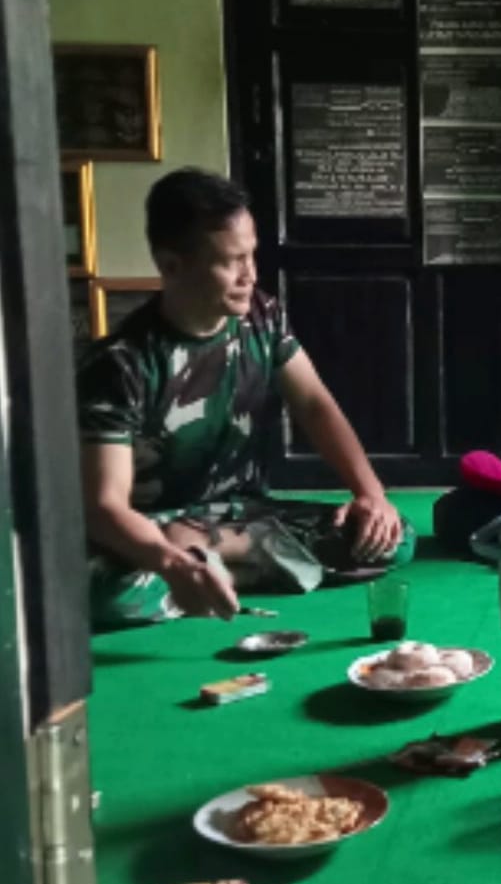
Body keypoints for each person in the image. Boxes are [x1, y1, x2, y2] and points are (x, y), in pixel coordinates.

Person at [78, 168, 414, 627]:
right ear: (171, 264)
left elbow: (315, 404)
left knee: (392, 536)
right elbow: (104, 506)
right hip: (153, 529)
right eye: (232, 261)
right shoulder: (120, 364)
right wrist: (171, 561)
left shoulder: (263, 316)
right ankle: (221, 570)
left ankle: (221, 564)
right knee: (96, 594)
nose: (250, 274)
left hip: (241, 516)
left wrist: (370, 495)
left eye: (251, 255)